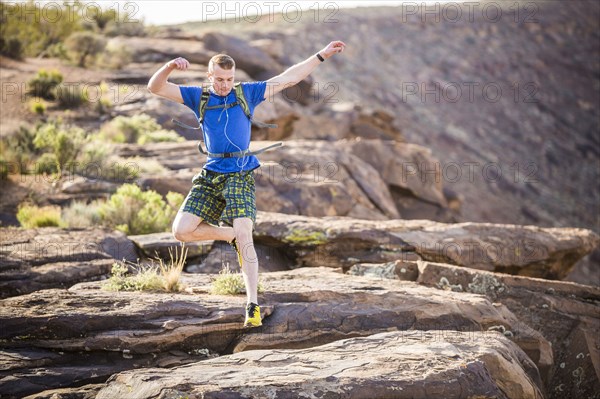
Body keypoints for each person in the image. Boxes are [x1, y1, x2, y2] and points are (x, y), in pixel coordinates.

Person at [147, 40, 346, 327]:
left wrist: (321, 55)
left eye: (229, 79)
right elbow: (155, 87)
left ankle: (252, 303)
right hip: (212, 172)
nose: (225, 84)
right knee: (181, 232)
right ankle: (230, 236)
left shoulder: (246, 93)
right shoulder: (197, 97)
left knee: (246, 233)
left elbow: (288, 77)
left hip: (240, 170)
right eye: (220, 79)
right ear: (209, 77)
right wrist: (169, 67)